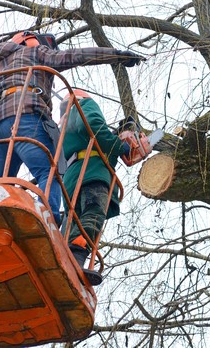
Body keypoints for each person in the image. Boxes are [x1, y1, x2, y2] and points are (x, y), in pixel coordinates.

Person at [0, 31, 144, 225]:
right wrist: (117, 55)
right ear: (30, 41)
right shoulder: (34, 53)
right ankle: (48, 219)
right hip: (25, 117)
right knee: (50, 171)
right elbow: (76, 56)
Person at [59, 89, 129, 285]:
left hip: (73, 177)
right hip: (91, 172)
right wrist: (118, 145)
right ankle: (78, 255)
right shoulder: (85, 106)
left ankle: (69, 258)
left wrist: (114, 140)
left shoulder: (64, 124)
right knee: (94, 211)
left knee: (75, 219)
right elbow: (94, 126)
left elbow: (91, 139)